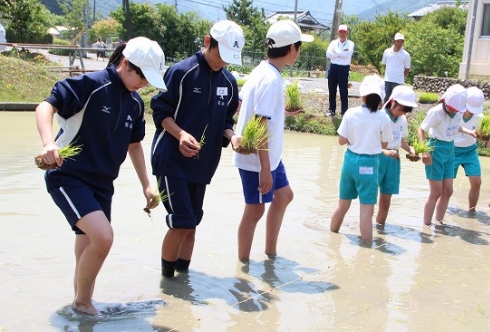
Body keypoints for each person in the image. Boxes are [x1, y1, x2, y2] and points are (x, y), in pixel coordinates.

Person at [35, 36, 166, 315]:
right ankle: (82, 303)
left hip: (103, 184)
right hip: (68, 176)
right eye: (142, 76)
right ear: (126, 63)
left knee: (87, 243)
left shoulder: (134, 104)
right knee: (103, 238)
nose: (144, 84)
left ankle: (80, 306)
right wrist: (49, 143)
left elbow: (134, 145)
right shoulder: (92, 85)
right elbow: (45, 107)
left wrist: (147, 185)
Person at [150, 20, 245, 278]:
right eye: (219, 55)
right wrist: (180, 135)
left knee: (193, 223)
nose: (222, 62)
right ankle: (168, 284)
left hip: (202, 164)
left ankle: (184, 280)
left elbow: (226, 121)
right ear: (207, 42)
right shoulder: (181, 72)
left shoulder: (229, 81)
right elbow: (160, 111)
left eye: (228, 59)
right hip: (171, 159)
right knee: (182, 221)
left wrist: (233, 137)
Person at [232, 20, 313, 261]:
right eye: (299, 47)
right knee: (255, 210)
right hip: (259, 160)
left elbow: (245, 105)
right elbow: (258, 125)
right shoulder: (271, 79)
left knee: (285, 195)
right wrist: (265, 169)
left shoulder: (263, 70)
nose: (299, 52)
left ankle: (270, 252)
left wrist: (280, 111)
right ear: (291, 49)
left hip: (270, 157)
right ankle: (243, 266)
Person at [330, 75, 392, 242]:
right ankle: (366, 250)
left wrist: (354, 140)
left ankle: (332, 237)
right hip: (369, 164)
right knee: (366, 211)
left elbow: (341, 140)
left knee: (342, 205)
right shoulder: (383, 117)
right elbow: (385, 145)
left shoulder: (351, 113)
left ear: (361, 95)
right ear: (380, 99)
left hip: (349, 161)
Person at [418, 84, 468, 226]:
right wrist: (424, 151)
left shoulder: (458, 112)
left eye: (456, 109)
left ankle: (439, 222)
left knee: (448, 190)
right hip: (436, 149)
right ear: (445, 101)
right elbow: (421, 129)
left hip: (450, 149)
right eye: (451, 107)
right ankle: (426, 226)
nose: (453, 110)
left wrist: (470, 132)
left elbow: (455, 127)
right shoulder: (436, 112)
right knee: (436, 192)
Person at [453, 87, 490, 212]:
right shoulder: (455, 112)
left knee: (477, 182)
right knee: (446, 184)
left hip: (470, 151)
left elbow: (487, 139)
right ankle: (440, 209)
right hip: (452, 151)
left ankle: (472, 211)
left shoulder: (479, 117)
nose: (471, 111)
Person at [375, 85, 417, 225]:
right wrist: (384, 151)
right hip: (378, 156)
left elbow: (400, 140)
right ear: (392, 102)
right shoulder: (380, 116)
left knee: (386, 198)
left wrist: (410, 150)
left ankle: (380, 227)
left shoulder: (402, 120)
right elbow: (370, 141)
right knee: (370, 195)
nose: (401, 113)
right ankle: (366, 227)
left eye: (404, 111)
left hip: (394, 159)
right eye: (400, 109)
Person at [325, 24, 355, 117]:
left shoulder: (350, 44)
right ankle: (331, 110)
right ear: (338, 33)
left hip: (344, 68)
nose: (342, 34)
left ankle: (344, 111)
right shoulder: (333, 42)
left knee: (343, 90)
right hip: (333, 67)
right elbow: (328, 54)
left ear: (347, 33)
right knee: (332, 89)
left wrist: (336, 52)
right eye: (341, 32)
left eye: (344, 32)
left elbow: (347, 55)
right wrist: (341, 53)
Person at [381, 32, 411, 102]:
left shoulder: (406, 54)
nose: (399, 43)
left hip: (398, 81)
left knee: (396, 100)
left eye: (401, 41)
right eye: (398, 41)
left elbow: (407, 68)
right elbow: (384, 64)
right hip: (388, 80)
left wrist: (401, 75)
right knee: (386, 99)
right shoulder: (387, 51)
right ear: (393, 41)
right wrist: (389, 72)